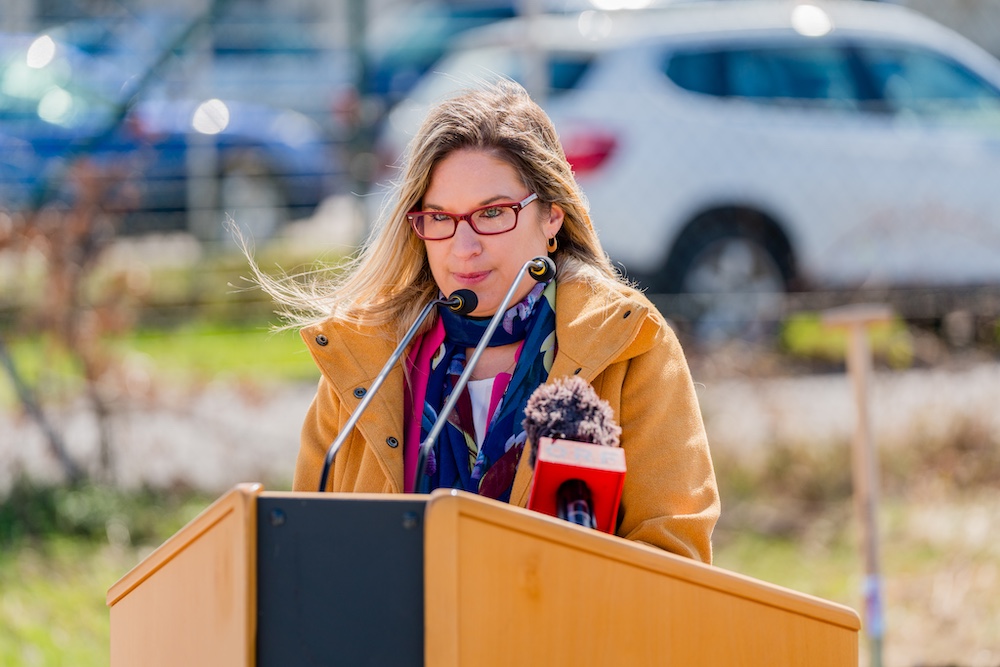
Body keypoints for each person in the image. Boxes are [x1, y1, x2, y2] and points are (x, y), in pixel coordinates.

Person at [253, 79, 719, 562]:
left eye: (492, 213)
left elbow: (674, 556)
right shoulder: (366, 355)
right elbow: (304, 554)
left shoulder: (629, 343)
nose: (464, 247)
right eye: (440, 218)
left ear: (552, 217)